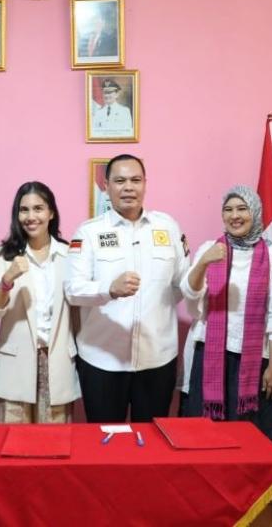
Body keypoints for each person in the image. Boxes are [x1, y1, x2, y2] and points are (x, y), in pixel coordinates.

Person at [65, 154, 189, 422]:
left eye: (135, 180)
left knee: (153, 444)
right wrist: (109, 289)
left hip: (157, 358)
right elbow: (73, 290)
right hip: (102, 359)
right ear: (106, 186)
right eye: (119, 180)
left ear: (145, 184)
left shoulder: (167, 228)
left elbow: (182, 285)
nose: (128, 187)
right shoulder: (88, 233)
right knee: (106, 446)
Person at [179, 186, 272, 445]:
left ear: (255, 212)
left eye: (242, 209)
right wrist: (203, 262)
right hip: (209, 353)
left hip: (255, 357)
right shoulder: (211, 249)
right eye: (228, 210)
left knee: (251, 433)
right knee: (205, 431)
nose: (235, 216)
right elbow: (190, 293)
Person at [0, 181, 80, 423]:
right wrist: (7, 280)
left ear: (51, 213)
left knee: (54, 448)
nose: (31, 216)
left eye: (38, 208)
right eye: (23, 209)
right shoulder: (4, 255)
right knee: (11, 447)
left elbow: (79, 312)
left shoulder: (69, 255)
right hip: (14, 365)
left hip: (57, 364)